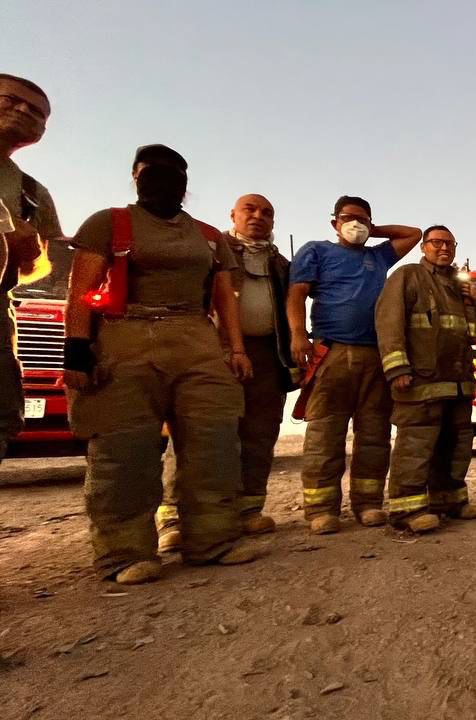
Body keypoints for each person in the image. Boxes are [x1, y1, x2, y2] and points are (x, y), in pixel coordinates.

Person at [63, 144, 260, 584]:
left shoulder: (209, 237)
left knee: (214, 442)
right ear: (135, 175)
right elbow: (80, 290)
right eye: (153, 170)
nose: (165, 178)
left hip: (195, 338)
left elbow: (223, 297)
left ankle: (212, 540)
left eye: (175, 172)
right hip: (125, 338)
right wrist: (76, 348)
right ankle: (124, 553)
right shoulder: (108, 223)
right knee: (124, 450)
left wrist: (236, 349)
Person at [155, 194, 296, 551]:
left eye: (267, 212)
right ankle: (173, 517)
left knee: (260, 432)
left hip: (267, 354)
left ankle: (247, 510)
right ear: (232, 214)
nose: (258, 217)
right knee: (199, 432)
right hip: (211, 352)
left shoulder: (280, 263)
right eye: (250, 210)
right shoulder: (209, 251)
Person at [288, 196, 421, 534]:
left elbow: (414, 233)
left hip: (375, 356)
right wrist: (298, 334)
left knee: (375, 435)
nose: (356, 224)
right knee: (325, 434)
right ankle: (321, 509)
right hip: (332, 353)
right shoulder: (316, 251)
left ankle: (368, 504)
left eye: (363, 219)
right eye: (349, 218)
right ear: (334, 222)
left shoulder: (377, 256)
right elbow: (296, 293)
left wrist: (373, 230)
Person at [376, 225, 476, 533]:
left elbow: (475, 332)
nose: (444, 248)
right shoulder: (407, 276)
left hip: (457, 381)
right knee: (417, 444)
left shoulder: (458, 286)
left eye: (449, 243)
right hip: (420, 381)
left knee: (456, 445)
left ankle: (449, 501)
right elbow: (389, 323)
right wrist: (397, 368)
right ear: (423, 247)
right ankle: (405, 510)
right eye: (437, 242)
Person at [0, 74, 60, 461]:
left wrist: (28, 252)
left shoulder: (32, 193)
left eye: (38, 113)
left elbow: (42, 268)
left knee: (3, 417)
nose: (24, 112)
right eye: (12, 101)